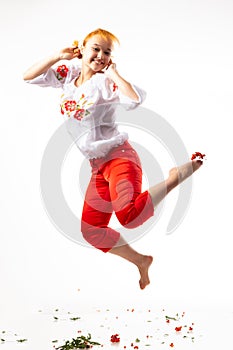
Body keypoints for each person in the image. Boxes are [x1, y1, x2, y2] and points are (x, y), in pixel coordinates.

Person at [23, 28, 203, 290]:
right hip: (98, 166)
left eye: (107, 52)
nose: (100, 55)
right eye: (95, 48)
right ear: (82, 49)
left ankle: (173, 178)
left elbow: (136, 98)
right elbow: (28, 77)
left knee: (128, 215)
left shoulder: (105, 82)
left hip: (120, 157)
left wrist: (114, 73)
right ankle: (141, 261)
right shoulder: (68, 75)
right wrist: (57, 56)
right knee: (92, 230)